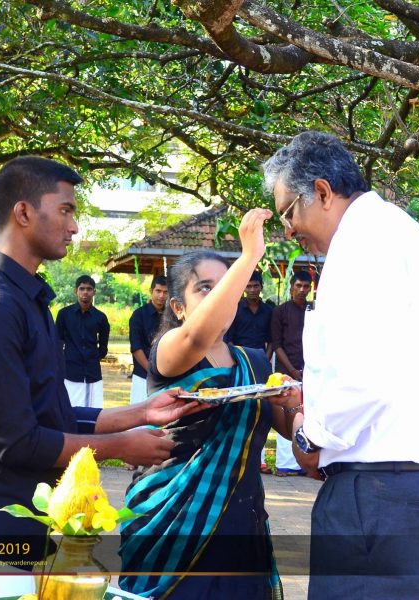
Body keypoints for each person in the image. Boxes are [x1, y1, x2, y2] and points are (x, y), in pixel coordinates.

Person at [0, 156, 204, 600]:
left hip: (29, 522)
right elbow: (18, 441)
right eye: (65, 210)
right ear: (23, 213)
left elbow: (53, 415)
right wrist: (122, 447)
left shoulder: (27, 300)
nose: (75, 226)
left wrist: (142, 412)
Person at [263, 130, 419, 599]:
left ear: (322, 192)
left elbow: (366, 379)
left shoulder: (363, 245)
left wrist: (309, 435)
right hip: (409, 488)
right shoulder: (397, 232)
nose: (288, 230)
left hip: (377, 496)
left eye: (288, 212)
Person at [119, 209, 303, 600]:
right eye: (206, 288)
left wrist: (291, 401)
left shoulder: (255, 361)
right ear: (178, 307)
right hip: (173, 524)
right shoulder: (171, 351)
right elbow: (197, 337)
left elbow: (287, 427)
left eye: (227, 286)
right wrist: (249, 256)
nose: (223, 295)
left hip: (241, 524)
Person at [226, 270, 275, 474]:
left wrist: (264, 360)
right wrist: (239, 361)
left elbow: (272, 340)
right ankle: (235, 458)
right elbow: (228, 339)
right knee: (238, 409)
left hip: (261, 364)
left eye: (256, 286)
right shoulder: (235, 309)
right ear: (244, 288)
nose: (252, 290)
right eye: (249, 286)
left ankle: (258, 460)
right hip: (239, 364)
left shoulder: (269, 311)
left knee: (261, 410)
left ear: (261, 287)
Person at [270, 270, 313, 476]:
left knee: (308, 415)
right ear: (291, 287)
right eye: (298, 286)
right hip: (286, 371)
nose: (302, 290)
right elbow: (277, 344)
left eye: (306, 287)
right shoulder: (280, 312)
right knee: (286, 412)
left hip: (310, 371)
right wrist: (292, 370)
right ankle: (284, 464)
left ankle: (305, 462)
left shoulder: (313, 311)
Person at [56, 274, 110, 408]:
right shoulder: (64, 314)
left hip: (92, 373)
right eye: (82, 289)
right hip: (69, 372)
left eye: (89, 289)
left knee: (93, 410)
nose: (85, 292)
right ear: (76, 291)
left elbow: (103, 348)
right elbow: (57, 342)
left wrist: (91, 358)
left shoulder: (100, 317)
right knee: (68, 409)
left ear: (94, 292)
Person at [128, 275, 167, 404]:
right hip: (143, 376)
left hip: (167, 376)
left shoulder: (172, 316)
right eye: (158, 291)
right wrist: (151, 370)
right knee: (139, 412)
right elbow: (136, 347)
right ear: (151, 291)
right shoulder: (138, 315)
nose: (161, 296)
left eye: (165, 292)